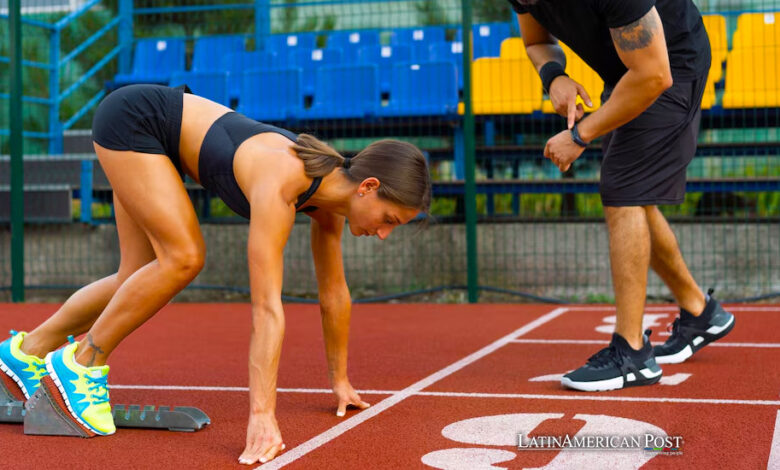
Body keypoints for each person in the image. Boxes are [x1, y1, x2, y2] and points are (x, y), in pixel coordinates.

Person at [0, 84, 431, 464]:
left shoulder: (328, 207)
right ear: (368, 187)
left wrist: (339, 380)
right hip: (136, 121)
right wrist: (262, 415)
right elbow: (266, 309)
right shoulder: (284, 182)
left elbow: (334, 294)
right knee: (184, 257)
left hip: (150, 131)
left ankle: (26, 352)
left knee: (134, 277)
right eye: (389, 218)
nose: (384, 234)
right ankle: (82, 364)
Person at [508, 0, 735, 391]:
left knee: (623, 191)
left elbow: (654, 75)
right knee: (631, 192)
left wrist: (579, 136)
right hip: (627, 69)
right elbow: (535, 42)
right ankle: (700, 312)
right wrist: (554, 77)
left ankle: (632, 355)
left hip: (669, 65)